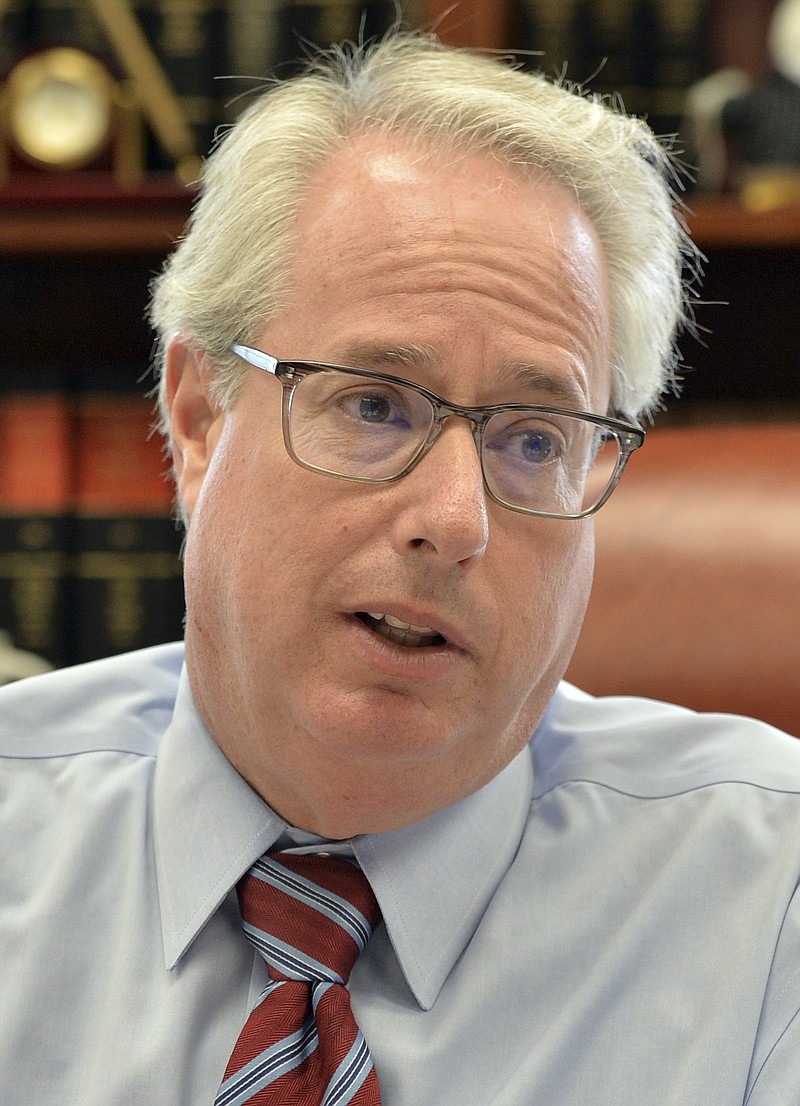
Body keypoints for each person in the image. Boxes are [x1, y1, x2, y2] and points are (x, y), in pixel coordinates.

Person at [1, 31, 799, 1106]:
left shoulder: (767, 902)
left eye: (533, 437)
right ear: (196, 420)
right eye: (373, 403)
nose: (454, 519)